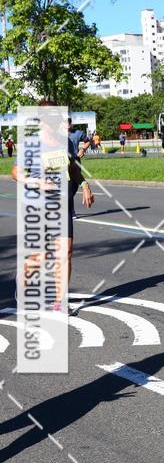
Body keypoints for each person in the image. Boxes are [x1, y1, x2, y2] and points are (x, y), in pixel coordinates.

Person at [11, 109, 94, 311]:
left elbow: (72, 168)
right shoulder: (31, 143)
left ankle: (60, 302)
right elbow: (15, 173)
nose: (54, 124)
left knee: (66, 252)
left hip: (62, 203)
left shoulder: (65, 141)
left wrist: (84, 185)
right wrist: (35, 181)